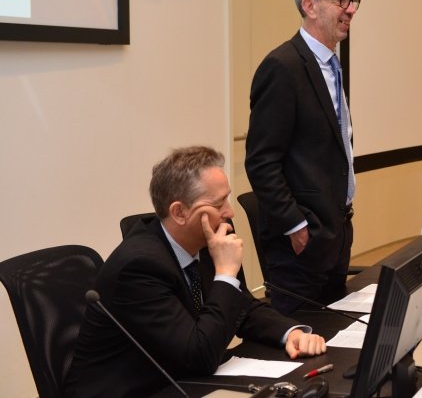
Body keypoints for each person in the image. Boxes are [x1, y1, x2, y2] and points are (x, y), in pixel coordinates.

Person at [64, 146, 326, 397]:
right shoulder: (138, 267)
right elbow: (199, 356)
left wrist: (290, 333)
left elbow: (241, 307)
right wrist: (226, 273)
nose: (230, 212)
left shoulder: (203, 241)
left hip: (180, 380)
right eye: (219, 204)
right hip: (136, 391)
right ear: (179, 212)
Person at [245, 0, 360, 315]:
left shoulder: (331, 66)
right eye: (341, 0)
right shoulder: (282, 66)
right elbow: (261, 161)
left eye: (353, 1)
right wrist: (296, 226)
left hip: (335, 233)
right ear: (310, 6)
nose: (350, 10)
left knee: (335, 336)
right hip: (301, 247)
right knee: (303, 339)